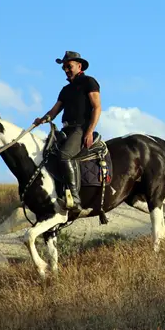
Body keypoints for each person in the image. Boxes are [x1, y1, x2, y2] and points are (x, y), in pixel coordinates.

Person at [33, 51, 102, 210]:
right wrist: (42, 120)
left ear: (79, 66)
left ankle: (75, 199)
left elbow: (97, 107)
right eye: (64, 67)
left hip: (80, 128)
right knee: (48, 153)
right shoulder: (65, 90)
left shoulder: (89, 82)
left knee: (64, 155)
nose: (66, 70)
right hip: (66, 129)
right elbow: (54, 111)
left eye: (69, 66)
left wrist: (90, 131)